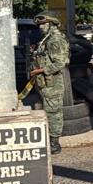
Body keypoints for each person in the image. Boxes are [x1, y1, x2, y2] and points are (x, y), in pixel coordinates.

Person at [30, 13, 69, 156]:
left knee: (53, 113)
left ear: (51, 24)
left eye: (43, 24)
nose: (40, 27)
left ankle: (54, 143)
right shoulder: (46, 40)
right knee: (49, 111)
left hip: (52, 83)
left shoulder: (55, 40)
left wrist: (39, 70)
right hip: (44, 83)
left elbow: (60, 63)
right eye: (39, 25)